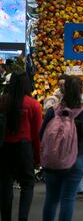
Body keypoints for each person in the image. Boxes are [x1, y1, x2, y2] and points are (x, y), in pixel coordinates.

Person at [41, 76, 83, 221]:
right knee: (68, 198)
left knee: (51, 198)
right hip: (77, 158)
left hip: (53, 159)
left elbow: (41, 134)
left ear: (63, 90)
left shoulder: (52, 111)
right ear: (80, 90)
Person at [0, 72, 42, 221]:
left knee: (5, 185)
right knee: (27, 184)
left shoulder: (3, 101)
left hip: (5, 148)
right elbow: (37, 135)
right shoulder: (33, 104)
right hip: (24, 148)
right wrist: (38, 157)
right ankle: (22, 218)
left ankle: (5, 218)